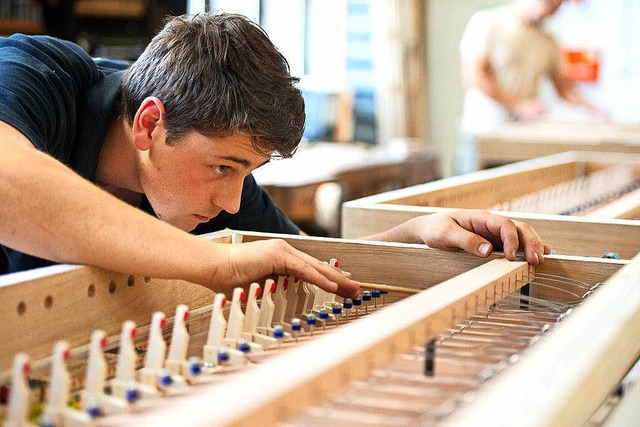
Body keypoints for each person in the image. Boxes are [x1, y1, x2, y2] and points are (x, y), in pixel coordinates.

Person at [0, 13, 548, 300]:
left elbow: (308, 266)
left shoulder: (219, 178)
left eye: (246, 173)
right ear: (149, 124)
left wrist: (417, 234)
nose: (233, 199)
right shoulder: (37, 75)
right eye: (222, 168)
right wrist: (218, 263)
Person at [456, 0, 604, 174]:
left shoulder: (548, 41)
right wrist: (519, 106)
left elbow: (565, 89)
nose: (552, 12)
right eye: (550, 4)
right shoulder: (486, 23)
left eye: (556, 8)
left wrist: (591, 108)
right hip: (483, 132)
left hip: (521, 139)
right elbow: (474, 77)